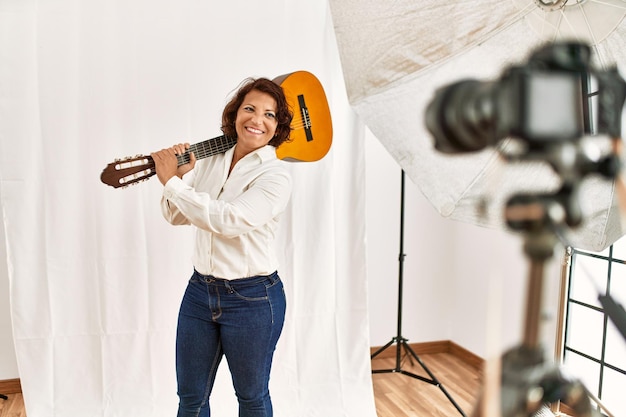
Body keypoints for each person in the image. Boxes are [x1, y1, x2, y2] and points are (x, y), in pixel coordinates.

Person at [150, 77, 294, 417]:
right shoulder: (213, 160)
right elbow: (176, 215)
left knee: (251, 397)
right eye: (250, 109)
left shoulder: (276, 177)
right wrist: (181, 178)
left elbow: (228, 221)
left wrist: (171, 181)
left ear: (278, 127)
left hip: (253, 299)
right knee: (190, 397)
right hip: (200, 293)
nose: (257, 120)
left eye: (269, 115)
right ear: (235, 114)